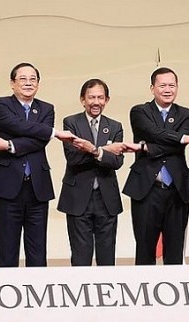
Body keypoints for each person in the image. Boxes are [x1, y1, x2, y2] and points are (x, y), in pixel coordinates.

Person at [0, 62, 76, 267]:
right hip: (7, 186)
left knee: (38, 249)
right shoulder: (0, 104)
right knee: (7, 247)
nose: (28, 83)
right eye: (22, 79)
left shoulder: (47, 108)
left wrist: (9, 144)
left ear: (38, 84)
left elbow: (40, 140)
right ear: (12, 83)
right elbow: (15, 125)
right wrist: (51, 132)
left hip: (37, 186)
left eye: (33, 79)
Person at [123, 67, 189, 265]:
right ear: (152, 88)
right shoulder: (139, 111)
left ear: (177, 88)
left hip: (177, 190)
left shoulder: (187, 114)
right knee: (144, 248)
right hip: (146, 188)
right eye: (162, 85)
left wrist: (145, 147)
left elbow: (161, 140)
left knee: (175, 249)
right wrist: (182, 138)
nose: (167, 89)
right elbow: (151, 131)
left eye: (172, 85)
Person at [58, 78, 138, 266]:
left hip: (106, 198)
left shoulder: (115, 126)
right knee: (81, 256)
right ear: (82, 100)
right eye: (91, 97)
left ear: (107, 100)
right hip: (78, 197)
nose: (96, 102)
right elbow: (73, 158)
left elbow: (117, 161)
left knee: (107, 256)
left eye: (100, 97)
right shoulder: (71, 122)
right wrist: (104, 152)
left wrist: (93, 149)